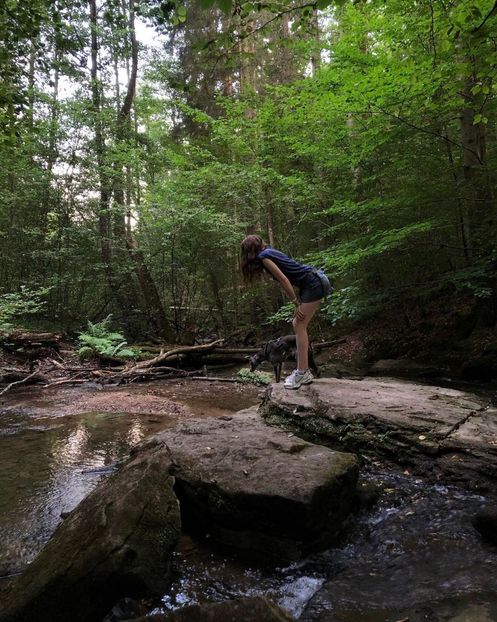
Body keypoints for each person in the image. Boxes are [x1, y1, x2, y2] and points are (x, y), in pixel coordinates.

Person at [240, 234, 332, 389]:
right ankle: (303, 371)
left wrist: (296, 302)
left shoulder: (264, 257)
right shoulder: (268, 252)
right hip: (313, 281)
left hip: (313, 282)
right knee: (297, 324)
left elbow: (283, 279)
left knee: (299, 325)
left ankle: (302, 373)